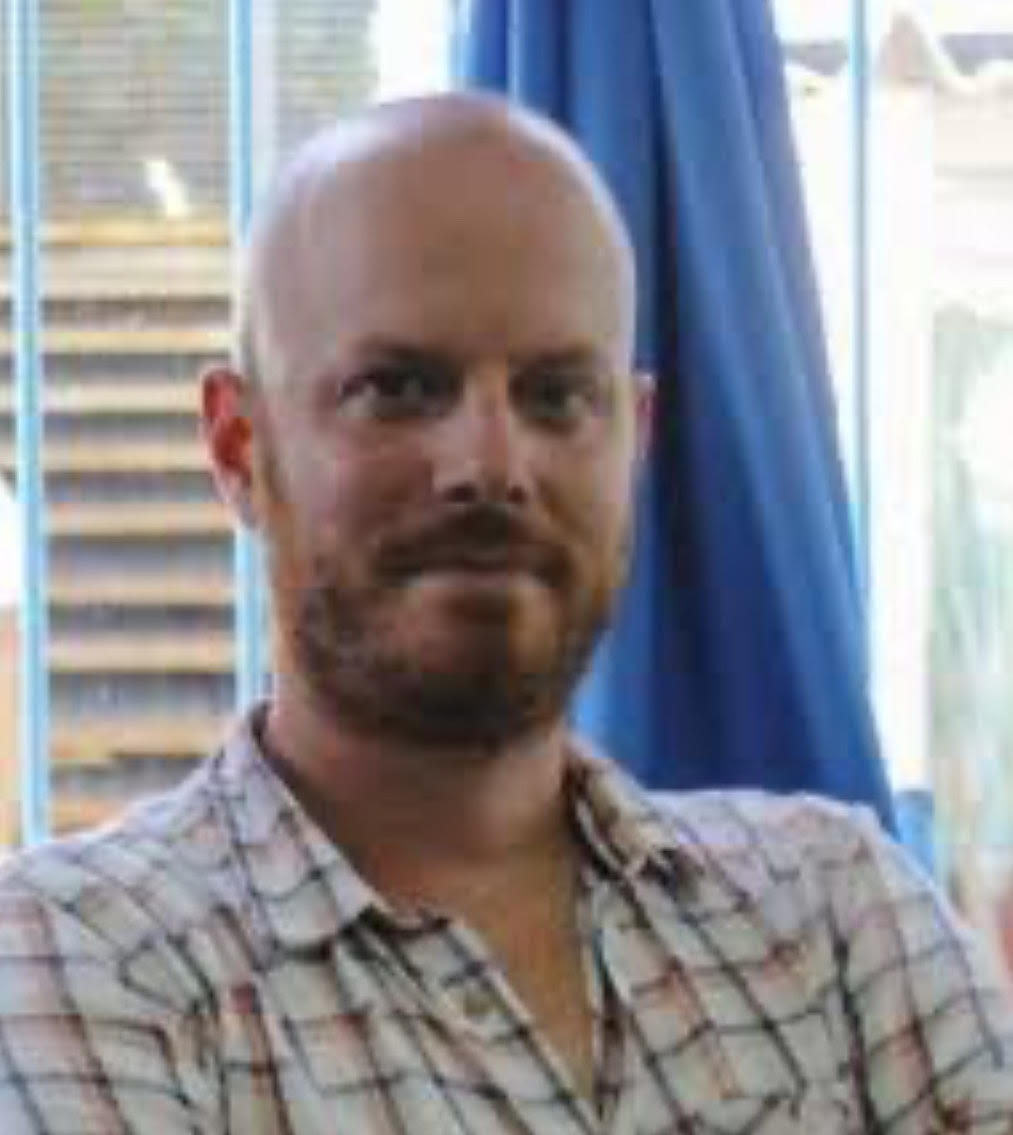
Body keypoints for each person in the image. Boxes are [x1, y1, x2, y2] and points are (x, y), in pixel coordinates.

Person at [0, 93, 1010, 1134]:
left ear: (634, 439)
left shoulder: (837, 911)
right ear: (238, 448)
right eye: (397, 387)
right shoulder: (71, 959)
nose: (489, 465)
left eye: (557, 395)